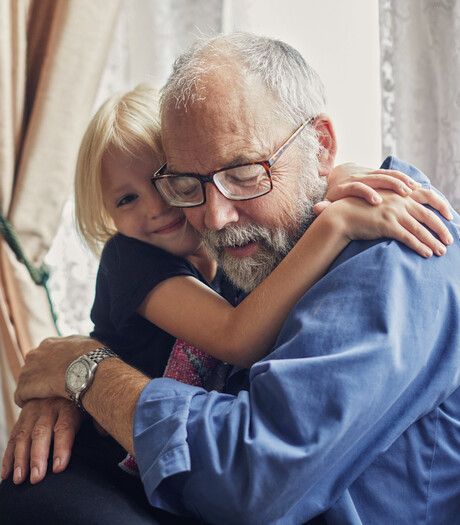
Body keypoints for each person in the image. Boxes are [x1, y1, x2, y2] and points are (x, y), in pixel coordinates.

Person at [2, 33, 460, 524]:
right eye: (187, 184)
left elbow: (254, 475)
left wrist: (90, 376)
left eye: (242, 172)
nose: (215, 217)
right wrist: (72, 389)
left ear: (320, 146)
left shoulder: (398, 253)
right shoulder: (248, 248)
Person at [78, 83, 451, 476]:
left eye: (167, 182)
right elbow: (236, 337)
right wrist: (336, 222)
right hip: (112, 460)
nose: (155, 207)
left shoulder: (223, 241)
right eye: (126, 199)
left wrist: (332, 181)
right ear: (106, 213)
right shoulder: (129, 258)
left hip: (183, 454)